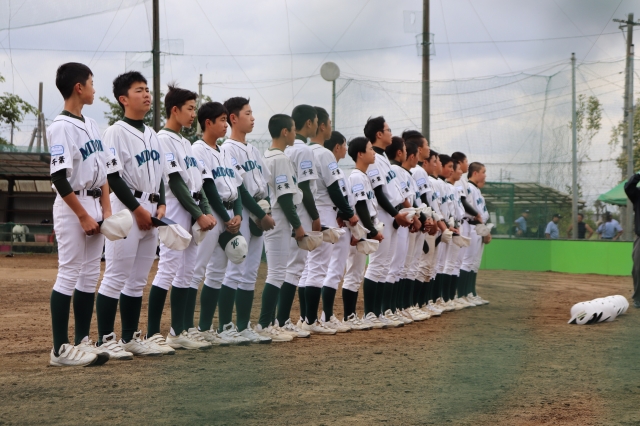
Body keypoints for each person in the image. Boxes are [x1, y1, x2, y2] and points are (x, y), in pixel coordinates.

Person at [96, 71, 172, 358]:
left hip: (151, 208)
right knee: (116, 275)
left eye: (147, 89)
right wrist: (137, 210)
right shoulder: (115, 132)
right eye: (139, 90)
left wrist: (161, 204)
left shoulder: (152, 133)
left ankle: (129, 338)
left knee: (138, 279)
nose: (146, 94)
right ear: (123, 99)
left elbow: (161, 175)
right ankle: (105, 339)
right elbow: (113, 177)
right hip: (127, 208)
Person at [48, 62, 115, 367]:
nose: (94, 89)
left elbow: (104, 173)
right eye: (91, 82)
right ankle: (60, 349)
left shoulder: (91, 124)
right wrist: (82, 216)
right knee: (69, 273)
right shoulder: (61, 126)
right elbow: (59, 177)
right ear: (79, 87)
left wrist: (106, 210)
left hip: (95, 204)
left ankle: (82, 341)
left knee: (89, 276)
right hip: (73, 205)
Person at [147, 85, 217, 350]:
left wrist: (205, 211)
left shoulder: (186, 143)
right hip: (177, 206)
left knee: (187, 271)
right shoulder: (162, 139)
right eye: (189, 108)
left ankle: (179, 331)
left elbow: (198, 183)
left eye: (194, 108)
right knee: (168, 268)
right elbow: (175, 182)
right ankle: (153, 334)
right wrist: (199, 214)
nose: (193, 114)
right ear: (174, 110)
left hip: (193, 205)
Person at [190, 101, 251, 346]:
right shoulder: (198, 150)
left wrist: (238, 214)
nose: (226, 125)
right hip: (211, 215)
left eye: (227, 120)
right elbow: (208, 187)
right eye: (222, 120)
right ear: (208, 123)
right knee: (196, 271)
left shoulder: (224, 151)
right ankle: (185, 329)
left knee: (217, 273)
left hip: (229, 214)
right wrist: (226, 219)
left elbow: (237, 186)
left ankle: (205, 328)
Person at [219, 97, 275, 344]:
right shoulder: (227, 149)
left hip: (258, 213)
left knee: (250, 272)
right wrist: (261, 215)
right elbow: (240, 189)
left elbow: (265, 185)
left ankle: (243, 326)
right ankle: (225, 326)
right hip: (240, 213)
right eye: (248, 113)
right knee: (234, 271)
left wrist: (266, 211)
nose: (253, 118)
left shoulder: (253, 150)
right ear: (233, 118)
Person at [300, 108, 358, 333]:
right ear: (321, 126)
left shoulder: (302, 151)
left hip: (307, 210)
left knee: (307, 268)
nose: (330, 127)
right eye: (329, 123)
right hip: (324, 210)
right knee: (318, 268)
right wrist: (349, 214)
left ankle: (305, 319)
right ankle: (312, 321)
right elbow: (334, 189)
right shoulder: (324, 154)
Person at [255, 113, 305, 342]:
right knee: (276, 273)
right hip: (279, 217)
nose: (295, 134)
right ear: (285, 132)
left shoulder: (267, 155)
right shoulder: (280, 158)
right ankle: (265, 324)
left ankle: (270, 323)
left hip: (272, 215)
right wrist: (298, 225)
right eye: (293, 130)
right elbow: (285, 198)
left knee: (277, 272)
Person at [283, 105, 329, 334]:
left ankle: (283, 320)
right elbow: (305, 187)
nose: (317, 125)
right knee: (294, 268)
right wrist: (315, 216)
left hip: (284, 211)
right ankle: (282, 321)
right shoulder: (304, 151)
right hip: (299, 211)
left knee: (287, 268)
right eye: (316, 121)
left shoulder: (285, 149)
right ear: (309, 123)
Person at [362, 117, 411, 328]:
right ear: (379, 134)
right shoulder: (374, 158)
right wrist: (395, 214)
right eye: (388, 129)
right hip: (382, 214)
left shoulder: (383, 158)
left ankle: (378, 311)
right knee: (377, 264)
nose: (391, 133)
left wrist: (399, 213)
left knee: (385, 265)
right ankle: (369, 313)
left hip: (391, 214)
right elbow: (378, 192)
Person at [341, 136, 385, 328]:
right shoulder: (357, 176)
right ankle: (349, 316)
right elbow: (360, 206)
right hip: (358, 230)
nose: (373, 152)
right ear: (360, 154)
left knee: (357, 273)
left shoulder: (364, 176)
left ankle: (351, 316)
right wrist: (371, 231)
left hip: (363, 229)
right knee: (353, 272)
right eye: (370, 149)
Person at [385, 136, 421, 324]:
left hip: (405, 220)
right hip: (398, 220)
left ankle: (396, 307)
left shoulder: (403, 172)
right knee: (394, 266)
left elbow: (408, 199)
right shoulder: (395, 170)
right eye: (405, 151)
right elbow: (402, 200)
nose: (407, 154)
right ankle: (387, 309)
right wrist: (415, 218)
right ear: (399, 153)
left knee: (400, 267)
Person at [459, 162, 490, 305]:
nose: (485, 175)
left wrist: (485, 230)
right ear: (475, 173)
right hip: (470, 225)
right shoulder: (469, 187)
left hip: (477, 227)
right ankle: (462, 294)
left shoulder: (476, 190)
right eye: (483, 172)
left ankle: (470, 293)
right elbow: (470, 210)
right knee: (467, 261)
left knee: (474, 263)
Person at [624, 173, 640, 307]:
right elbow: (628, 187)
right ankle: (638, 298)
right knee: (638, 268)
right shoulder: (638, 195)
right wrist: (638, 176)